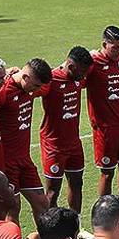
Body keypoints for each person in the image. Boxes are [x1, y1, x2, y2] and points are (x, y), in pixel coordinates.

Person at [0, 57, 55, 222]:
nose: (37, 90)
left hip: (24, 160)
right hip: (7, 162)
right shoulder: (4, 92)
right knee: (13, 209)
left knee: (42, 203)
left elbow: (49, 84)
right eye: (36, 85)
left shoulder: (30, 88)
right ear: (25, 77)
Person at [40, 47, 93, 215]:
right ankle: (51, 233)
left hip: (74, 143)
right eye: (82, 72)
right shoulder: (51, 80)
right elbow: (28, 89)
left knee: (77, 183)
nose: (84, 76)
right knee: (52, 192)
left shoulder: (78, 77)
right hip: (53, 146)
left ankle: (75, 227)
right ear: (71, 66)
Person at [86, 26, 119, 201]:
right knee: (107, 173)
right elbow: (75, 78)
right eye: (114, 47)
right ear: (104, 45)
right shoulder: (92, 64)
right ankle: (103, 213)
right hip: (104, 129)